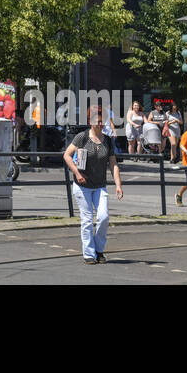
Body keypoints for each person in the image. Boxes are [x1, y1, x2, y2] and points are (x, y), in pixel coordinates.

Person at [62, 107, 123, 265]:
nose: (101, 124)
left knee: (103, 217)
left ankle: (98, 250)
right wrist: (77, 173)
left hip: (100, 185)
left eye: (103, 121)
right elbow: (67, 155)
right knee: (87, 220)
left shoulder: (108, 140)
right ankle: (89, 254)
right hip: (82, 186)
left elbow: (113, 164)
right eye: (98, 121)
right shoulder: (82, 138)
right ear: (91, 122)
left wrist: (118, 185)